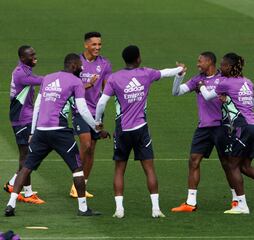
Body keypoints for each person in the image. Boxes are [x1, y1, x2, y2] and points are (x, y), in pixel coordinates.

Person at [5, 53, 102, 217]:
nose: (82, 67)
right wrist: (97, 127)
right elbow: (83, 109)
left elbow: (37, 106)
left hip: (41, 132)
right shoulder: (76, 81)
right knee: (77, 169)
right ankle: (83, 208)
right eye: (80, 65)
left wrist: (33, 132)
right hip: (60, 132)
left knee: (26, 167)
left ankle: (10, 204)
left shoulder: (48, 78)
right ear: (72, 66)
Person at [95, 45, 184, 218]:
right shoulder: (146, 73)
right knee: (149, 168)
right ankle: (156, 209)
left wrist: (98, 123)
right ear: (138, 59)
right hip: (141, 129)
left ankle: (119, 210)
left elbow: (101, 103)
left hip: (122, 130)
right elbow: (165, 72)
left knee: (120, 169)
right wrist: (180, 69)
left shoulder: (114, 78)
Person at [200, 53, 254, 214]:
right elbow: (253, 103)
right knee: (245, 166)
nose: (221, 68)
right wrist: (231, 100)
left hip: (242, 127)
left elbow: (207, 97)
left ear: (230, 67)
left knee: (232, 165)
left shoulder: (224, 82)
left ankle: (242, 205)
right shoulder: (248, 82)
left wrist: (201, 85)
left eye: (224, 65)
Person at [171, 52, 233, 212]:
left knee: (227, 164)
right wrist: (179, 76)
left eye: (200, 61)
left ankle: (236, 200)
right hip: (204, 127)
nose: (198, 64)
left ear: (210, 62)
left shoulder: (224, 79)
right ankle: (191, 203)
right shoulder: (198, 79)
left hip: (221, 126)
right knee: (193, 161)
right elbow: (176, 92)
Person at [70, 32, 112, 198]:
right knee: (86, 144)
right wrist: (88, 84)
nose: (97, 47)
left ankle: (82, 185)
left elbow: (107, 87)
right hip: (80, 109)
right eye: (94, 44)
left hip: (97, 111)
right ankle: (76, 181)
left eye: (99, 44)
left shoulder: (105, 64)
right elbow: (71, 85)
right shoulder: (76, 62)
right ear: (86, 45)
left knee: (92, 149)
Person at [5, 45, 45, 204]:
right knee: (27, 155)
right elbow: (42, 81)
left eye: (34, 53)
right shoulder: (21, 73)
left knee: (27, 154)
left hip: (23, 117)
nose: (35, 57)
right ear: (23, 58)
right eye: (31, 55)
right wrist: (61, 78)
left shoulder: (24, 69)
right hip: (22, 118)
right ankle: (24, 192)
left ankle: (19, 187)